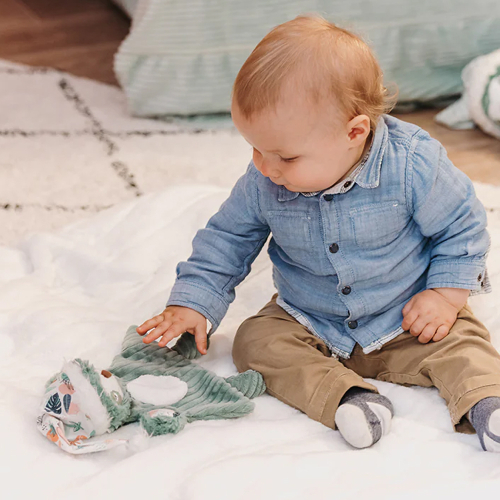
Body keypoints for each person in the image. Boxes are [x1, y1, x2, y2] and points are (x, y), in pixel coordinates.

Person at [136, 15, 500, 451]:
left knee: (463, 342)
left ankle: (487, 404)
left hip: (405, 316)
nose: (264, 167)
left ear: (354, 131)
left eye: (284, 157)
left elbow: (463, 226)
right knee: (253, 342)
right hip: (310, 317)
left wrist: (444, 296)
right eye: (255, 149)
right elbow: (226, 241)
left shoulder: (412, 165)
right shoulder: (263, 183)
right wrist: (192, 303)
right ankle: (350, 398)